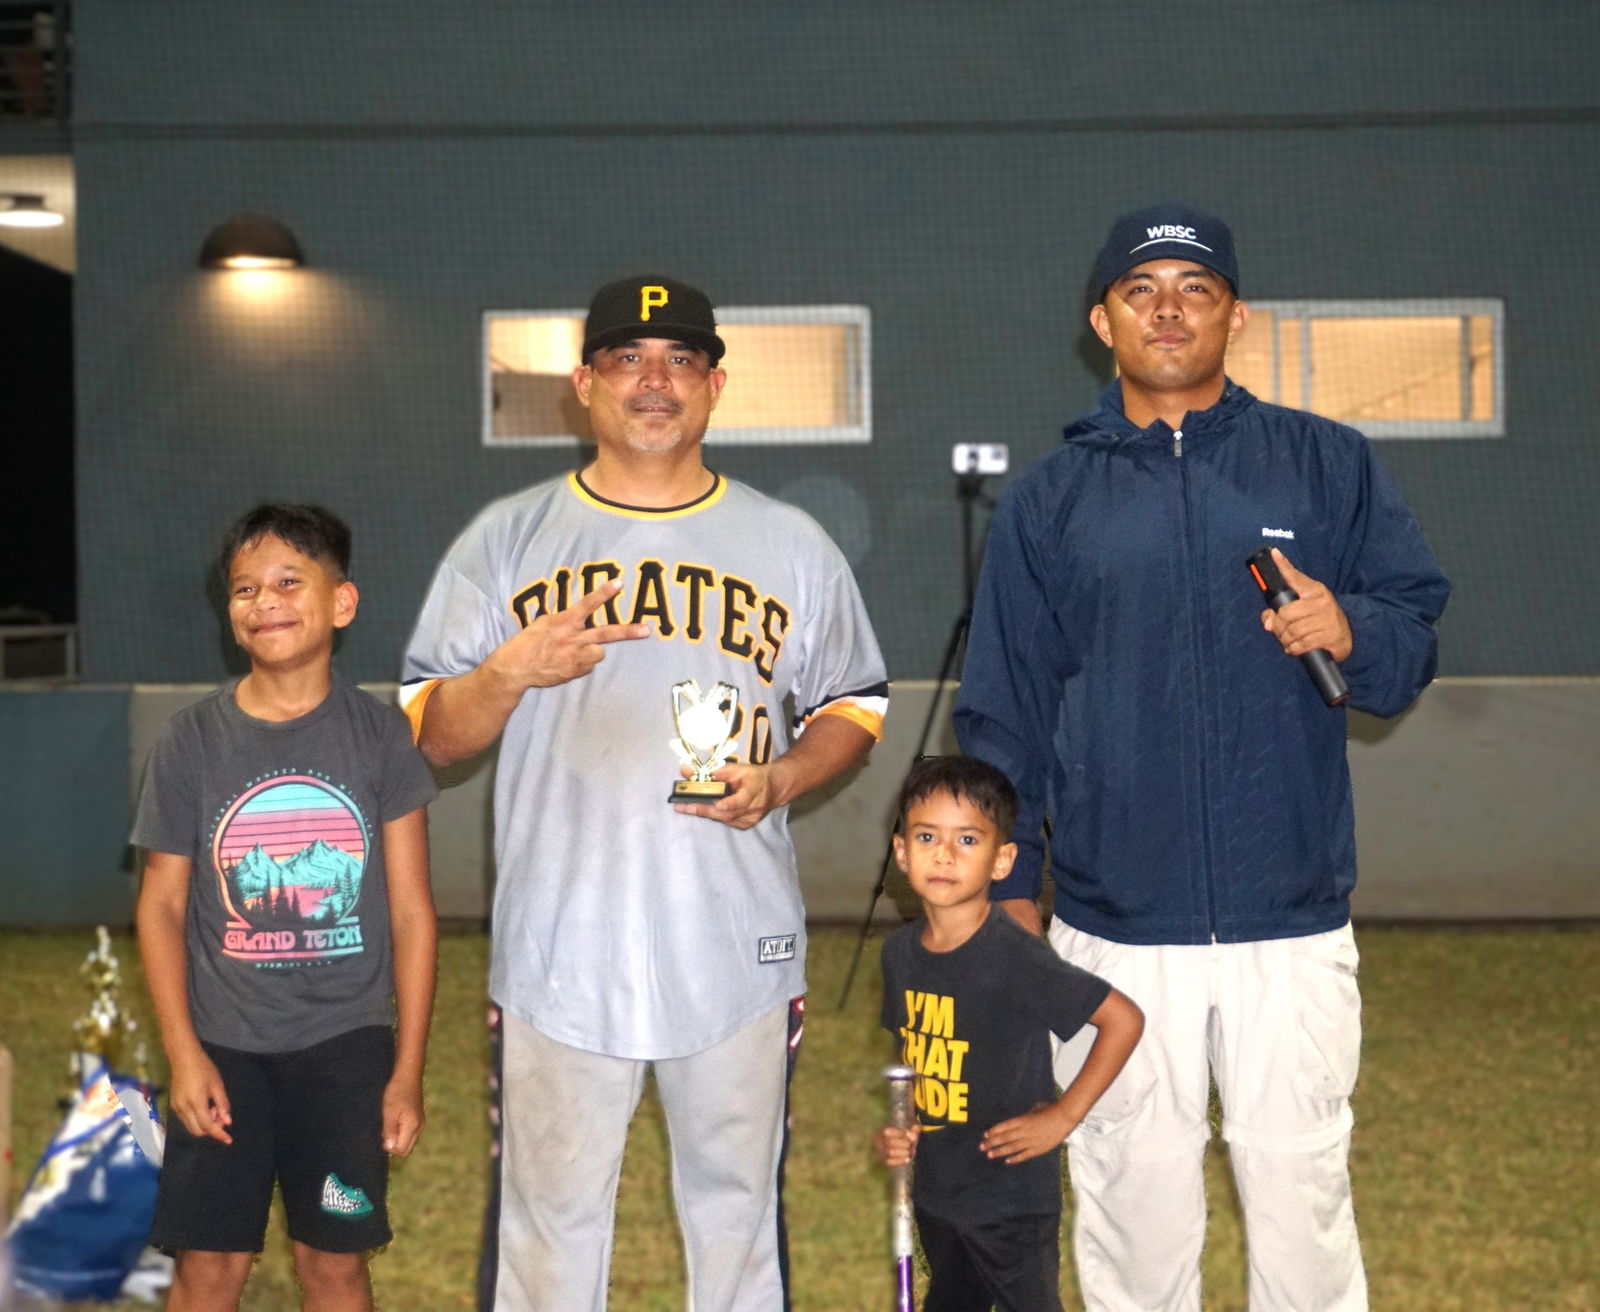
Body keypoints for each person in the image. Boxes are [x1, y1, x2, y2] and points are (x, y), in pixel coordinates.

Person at [953, 205, 1452, 1312]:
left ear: (1236, 314)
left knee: (1302, 1202)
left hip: (1293, 920)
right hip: (1113, 924)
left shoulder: (1327, 467)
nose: (1168, 308)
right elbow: (1004, 714)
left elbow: (1410, 637)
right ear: (1101, 320)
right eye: (1141, 289)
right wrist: (1014, 900)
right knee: (1131, 1210)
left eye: (1195, 286)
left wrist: (1353, 628)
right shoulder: (1048, 503)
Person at [401, 275, 889, 1312]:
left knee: (736, 1217)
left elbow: (856, 702)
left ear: (716, 385)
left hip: (737, 940)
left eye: (679, 361)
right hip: (557, 946)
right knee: (546, 1226)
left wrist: (787, 776)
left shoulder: (791, 543)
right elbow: (432, 737)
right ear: (583, 383)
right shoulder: (507, 540)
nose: (654, 381)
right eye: (627, 358)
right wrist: (507, 671)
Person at [133, 503, 439, 1312]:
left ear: (341, 602)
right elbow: (160, 908)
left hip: (345, 1048)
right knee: (208, 1268)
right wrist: (183, 1052)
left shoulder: (380, 739)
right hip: (223, 1047)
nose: (263, 600)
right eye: (243, 588)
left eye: (287, 581)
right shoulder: (191, 743)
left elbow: (412, 914)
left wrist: (404, 1070)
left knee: (333, 1265)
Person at [874, 756, 1143, 1312]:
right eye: (927, 836)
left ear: (1002, 861)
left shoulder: (1014, 956)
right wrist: (908, 1128)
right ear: (901, 851)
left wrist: (1065, 1115)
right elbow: (926, 1061)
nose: (944, 854)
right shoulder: (899, 955)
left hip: (1008, 1197)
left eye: (967, 839)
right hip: (939, 1189)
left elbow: (1123, 1019)